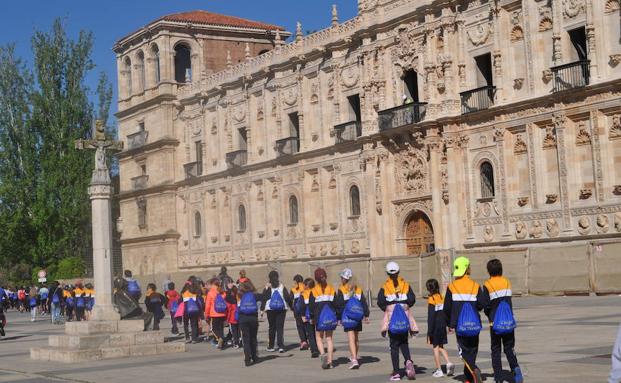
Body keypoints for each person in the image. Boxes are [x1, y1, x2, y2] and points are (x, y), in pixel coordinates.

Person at [444, 256, 487, 383]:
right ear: (468, 269)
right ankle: (469, 377)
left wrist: (449, 323)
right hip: (474, 324)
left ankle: (473, 369)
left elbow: (447, 308)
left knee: (463, 352)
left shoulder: (452, 287)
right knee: (473, 349)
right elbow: (481, 304)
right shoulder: (475, 285)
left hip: (459, 325)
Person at [482, 259, 523, 383]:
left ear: (489, 271)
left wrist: (489, 315)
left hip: (494, 322)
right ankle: (516, 369)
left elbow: (486, 305)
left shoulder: (487, 284)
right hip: (508, 320)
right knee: (509, 347)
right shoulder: (506, 282)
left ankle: (498, 377)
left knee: (496, 349)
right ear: (501, 270)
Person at [377, 262, 417, 381]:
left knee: (394, 345)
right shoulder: (405, 284)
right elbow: (412, 299)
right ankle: (408, 360)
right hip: (404, 319)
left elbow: (380, 301)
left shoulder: (385, 286)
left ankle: (396, 372)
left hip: (392, 319)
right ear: (398, 272)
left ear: (388, 274)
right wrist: (404, 307)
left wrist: (389, 309)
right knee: (404, 342)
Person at [335, 268, 370, 370]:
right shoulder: (358, 289)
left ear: (344, 279)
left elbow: (339, 304)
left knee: (351, 338)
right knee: (356, 338)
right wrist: (366, 315)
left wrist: (339, 317)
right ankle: (354, 355)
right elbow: (363, 302)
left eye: (341, 277)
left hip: (347, 316)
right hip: (357, 315)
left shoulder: (341, 289)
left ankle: (354, 359)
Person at [308, 268, 337, 370]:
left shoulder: (314, 290)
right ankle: (331, 361)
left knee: (319, 338)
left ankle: (322, 354)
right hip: (330, 317)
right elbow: (336, 303)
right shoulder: (331, 289)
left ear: (316, 279)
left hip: (319, 318)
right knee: (329, 339)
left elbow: (311, 306)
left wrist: (311, 317)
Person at [425, 278, 454, 378]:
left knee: (435, 348)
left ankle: (439, 370)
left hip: (435, 327)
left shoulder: (431, 299)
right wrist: (448, 324)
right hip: (442, 325)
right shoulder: (441, 297)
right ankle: (449, 363)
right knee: (441, 347)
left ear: (429, 289)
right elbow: (445, 313)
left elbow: (431, 317)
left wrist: (429, 332)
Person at [261, 270, 291, 353]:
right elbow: (287, 298)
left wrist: (261, 309)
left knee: (272, 327)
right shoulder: (281, 286)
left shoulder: (268, 287)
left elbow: (264, 298)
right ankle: (281, 346)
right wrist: (291, 306)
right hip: (281, 309)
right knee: (280, 327)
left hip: (270, 309)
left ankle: (271, 346)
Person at [237, 280, 262, 366]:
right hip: (253, 319)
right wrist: (267, 288)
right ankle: (255, 357)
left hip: (243, 319)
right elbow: (265, 296)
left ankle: (247, 359)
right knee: (253, 338)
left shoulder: (240, 296)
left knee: (246, 340)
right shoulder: (255, 295)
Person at [205, 278, 227, 349]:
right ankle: (222, 343)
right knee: (221, 328)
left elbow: (207, 305)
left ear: (212, 284)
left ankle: (220, 338)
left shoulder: (210, 293)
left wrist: (206, 315)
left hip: (214, 314)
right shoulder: (223, 292)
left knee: (214, 329)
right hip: (222, 313)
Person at [301, 278, 320, 358]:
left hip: (308, 316)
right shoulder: (317, 292)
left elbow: (301, 306)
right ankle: (319, 347)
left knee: (310, 333)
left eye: (304, 285)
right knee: (318, 333)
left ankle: (314, 350)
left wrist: (302, 315)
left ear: (307, 286)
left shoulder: (303, 294)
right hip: (317, 315)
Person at [291, 274, 309, 351]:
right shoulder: (306, 287)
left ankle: (303, 341)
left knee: (299, 326)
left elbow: (290, 299)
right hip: (305, 309)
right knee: (307, 325)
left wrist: (292, 308)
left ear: (296, 281)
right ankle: (310, 340)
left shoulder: (294, 289)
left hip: (297, 310)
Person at [181, 277, 201, 344]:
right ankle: (194, 339)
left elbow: (180, 301)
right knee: (194, 324)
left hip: (185, 311)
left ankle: (187, 338)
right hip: (194, 310)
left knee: (186, 324)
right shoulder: (195, 292)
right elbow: (198, 301)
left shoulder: (183, 292)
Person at [225, 283, 240, 348]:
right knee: (239, 329)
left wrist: (227, 319)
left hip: (232, 317)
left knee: (233, 331)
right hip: (239, 316)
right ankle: (240, 340)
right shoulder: (239, 297)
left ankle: (236, 343)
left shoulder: (229, 300)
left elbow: (229, 310)